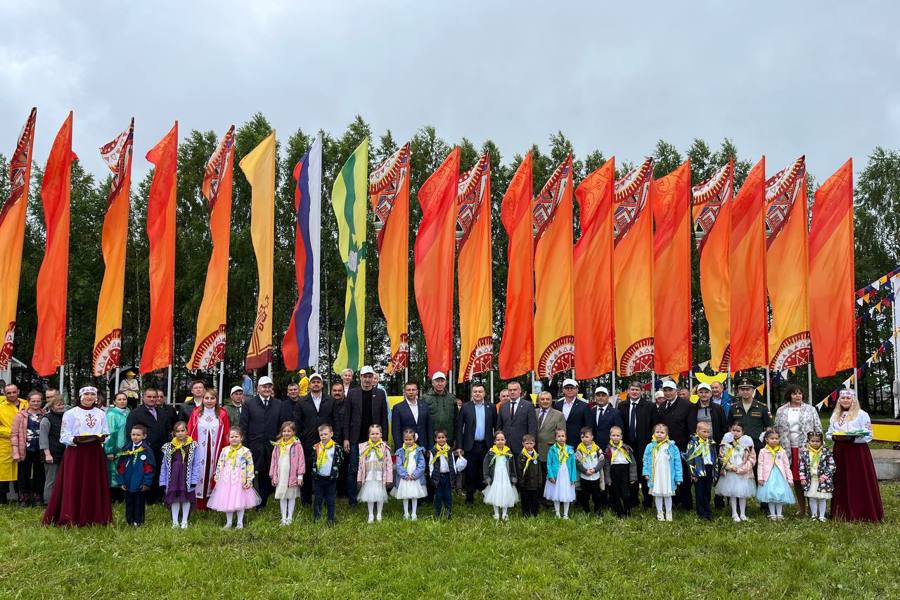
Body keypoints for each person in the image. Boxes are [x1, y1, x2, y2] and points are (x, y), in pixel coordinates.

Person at [43, 386, 112, 526]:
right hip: (76, 453)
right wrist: (75, 440)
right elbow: (64, 436)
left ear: (96, 397)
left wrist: (102, 438)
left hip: (94, 453)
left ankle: (95, 516)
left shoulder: (101, 413)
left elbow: (106, 433)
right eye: (86, 394)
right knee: (74, 482)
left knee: (93, 482)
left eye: (92, 394)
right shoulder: (71, 413)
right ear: (80, 396)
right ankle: (71, 515)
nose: (89, 397)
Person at [826, 389, 884, 522]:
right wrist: (835, 437)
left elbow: (869, 434)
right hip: (840, 452)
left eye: (848, 398)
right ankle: (841, 512)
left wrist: (853, 438)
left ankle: (863, 511)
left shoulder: (862, 414)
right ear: (839, 400)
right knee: (841, 479)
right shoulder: (835, 415)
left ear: (853, 400)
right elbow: (829, 433)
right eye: (843, 398)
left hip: (857, 452)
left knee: (859, 480)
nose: (845, 400)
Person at [343, 366, 389, 508]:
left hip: (375, 440)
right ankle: (353, 500)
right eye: (365, 376)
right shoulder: (352, 393)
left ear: (373, 378)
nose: (367, 379)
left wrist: (385, 438)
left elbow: (384, 418)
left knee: (375, 470)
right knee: (354, 469)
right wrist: (346, 438)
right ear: (360, 377)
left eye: (370, 376)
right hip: (356, 439)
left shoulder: (380, 394)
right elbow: (346, 417)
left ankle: (375, 499)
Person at [773, 384, 822, 516]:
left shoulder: (810, 410)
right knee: (796, 480)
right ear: (789, 395)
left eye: (800, 393)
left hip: (807, 449)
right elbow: (776, 430)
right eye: (794, 393)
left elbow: (818, 428)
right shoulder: (781, 411)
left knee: (809, 478)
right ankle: (802, 508)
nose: (797, 396)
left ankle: (814, 509)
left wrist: (819, 446)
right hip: (788, 449)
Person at [294, 373, 340, 506]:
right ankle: (306, 500)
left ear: (322, 384)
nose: (315, 384)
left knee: (325, 470)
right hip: (308, 442)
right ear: (309, 385)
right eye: (313, 382)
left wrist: (335, 439)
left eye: (318, 382)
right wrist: (299, 440)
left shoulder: (330, 400)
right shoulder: (301, 401)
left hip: (327, 443)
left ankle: (326, 499)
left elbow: (336, 421)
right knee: (307, 471)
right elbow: (297, 422)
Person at [239, 375, 285, 509]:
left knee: (266, 474)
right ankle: (248, 501)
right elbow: (243, 426)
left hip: (271, 446)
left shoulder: (278, 404)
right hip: (253, 445)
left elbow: (282, 426)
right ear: (258, 388)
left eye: (269, 386)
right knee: (251, 474)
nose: (267, 389)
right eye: (264, 386)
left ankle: (262, 502)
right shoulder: (249, 404)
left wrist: (279, 442)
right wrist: (245, 446)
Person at [126, 387, 176, 503]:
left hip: (162, 450)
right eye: (149, 396)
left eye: (155, 397)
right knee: (146, 473)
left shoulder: (163, 412)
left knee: (160, 472)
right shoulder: (135, 413)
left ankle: (159, 497)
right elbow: (129, 433)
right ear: (143, 398)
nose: (152, 399)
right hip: (145, 450)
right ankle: (146, 499)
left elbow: (168, 429)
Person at [207, 426, 260, 529]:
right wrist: (217, 478)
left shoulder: (246, 451)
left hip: (240, 479)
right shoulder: (225, 450)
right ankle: (229, 522)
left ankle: (240, 522)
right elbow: (220, 464)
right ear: (228, 438)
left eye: (236, 436)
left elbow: (250, 466)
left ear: (241, 438)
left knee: (240, 500)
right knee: (227, 501)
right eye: (232, 437)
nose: (234, 438)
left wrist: (249, 480)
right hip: (227, 479)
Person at [187, 389, 230, 509]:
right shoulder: (196, 413)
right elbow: (190, 431)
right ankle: (197, 502)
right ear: (202, 399)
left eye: (212, 398)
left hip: (215, 451)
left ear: (216, 400)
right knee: (199, 472)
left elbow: (226, 433)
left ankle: (213, 502)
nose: (209, 401)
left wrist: (226, 450)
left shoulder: (222, 414)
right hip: (199, 450)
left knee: (214, 473)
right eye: (207, 398)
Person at [455, 383, 496, 506]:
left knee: (485, 472)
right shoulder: (466, 407)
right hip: (470, 446)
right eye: (475, 391)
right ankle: (469, 498)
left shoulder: (491, 407)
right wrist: (459, 447)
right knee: (470, 473)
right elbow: (459, 427)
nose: (477, 394)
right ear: (472, 393)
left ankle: (486, 496)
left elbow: (496, 426)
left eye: (480, 391)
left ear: (484, 393)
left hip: (486, 445)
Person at [654, 379, 692, 511]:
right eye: (665, 390)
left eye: (670, 390)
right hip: (666, 447)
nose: (668, 393)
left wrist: (689, 447)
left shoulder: (687, 405)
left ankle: (687, 503)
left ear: (676, 390)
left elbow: (691, 427)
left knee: (683, 475)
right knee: (670, 473)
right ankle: (675, 501)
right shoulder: (662, 406)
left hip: (682, 447)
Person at [159, 421, 200, 529]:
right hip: (173, 478)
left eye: (183, 430)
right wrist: (163, 481)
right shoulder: (168, 447)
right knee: (175, 499)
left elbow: (196, 464)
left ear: (187, 431)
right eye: (177, 431)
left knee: (186, 498)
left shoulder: (193, 446)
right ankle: (175, 521)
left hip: (186, 477)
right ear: (174, 433)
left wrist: (194, 480)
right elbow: (164, 465)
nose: (180, 433)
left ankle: (184, 521)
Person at [618, 382, 652, 509]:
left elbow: (654, 425)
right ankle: (633, 500)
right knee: (631, 474)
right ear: (628, 390)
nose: (634, 392)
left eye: (637, 390)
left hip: (645, 445)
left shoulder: (649, 406)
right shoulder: (622, 406)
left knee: (645, 473)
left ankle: (648, 502)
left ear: (642, 391)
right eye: (632, 389)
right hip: (628, 446)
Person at [116, 424, 156, 526]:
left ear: (144, 436)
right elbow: (120, 467)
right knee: (129, 503)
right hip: (127, 482)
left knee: (139, 503)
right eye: (133, 434)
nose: (135, 437)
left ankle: (138, 521)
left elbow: (149, 468)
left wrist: (146, 483)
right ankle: (129, 521)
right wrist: (121, 482)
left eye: (138, 435)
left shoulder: (146, 450)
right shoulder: (126, 449)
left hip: (140, 483)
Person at [716, 422, 757, 522]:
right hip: (731, 471)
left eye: (738, 431)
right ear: (730, 430)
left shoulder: (748, 443)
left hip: (743, 472)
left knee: (743, 494)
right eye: (733, 430)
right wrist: (729, 466)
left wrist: (742, 469)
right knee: (732, 493)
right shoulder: (726, 442)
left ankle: (742, 513)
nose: (735, 433)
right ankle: (734, 513)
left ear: (743, 432)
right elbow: (721, 456)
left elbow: (752, 458)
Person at [642, 423, 683, 522]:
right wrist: (646, 472)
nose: (659, 434)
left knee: (668, 494)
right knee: (658, 494)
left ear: (667, 434)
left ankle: (669, 512)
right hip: (656, 475)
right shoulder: (650, 446)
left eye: (662, 432)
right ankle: (659, 512)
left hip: (667, 475)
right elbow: (646, 460)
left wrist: (678, 477)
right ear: (654, 433)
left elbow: (677, 463)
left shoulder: (672, 447)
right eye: (657, 432)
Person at [12, 390, 45, 506]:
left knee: (39, 474)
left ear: (41, 402)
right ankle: (24, 497)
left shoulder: (45, 415)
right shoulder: (20, 416)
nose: (36, 403)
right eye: (33, 401)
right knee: (23, 474)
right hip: (25, 449)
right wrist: (15, 452)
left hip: (40, 449)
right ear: (28, 401)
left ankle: (37, 496)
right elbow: (14, 434)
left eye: (38, 401)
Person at [269, 421, 305, 526]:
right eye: (284, 431)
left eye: (289, 431)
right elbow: (274, 461)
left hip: (292, 476)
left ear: (293, 432)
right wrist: (273, 475)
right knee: (283, 497)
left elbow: (301, 461)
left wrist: (300, 475)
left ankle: (290, 518)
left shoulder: (297, 445)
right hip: (281, 476)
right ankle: (283, 518)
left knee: (291, 497)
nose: (286, 433)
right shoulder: (278, 445)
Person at [357, 424, 392, 523]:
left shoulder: (384, 448)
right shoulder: (364, 447)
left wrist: (389, 478)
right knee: (370, 496)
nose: (375, 435)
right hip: (369, 476)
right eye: (372, 434)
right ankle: (371, 514)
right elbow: (360, 464)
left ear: (381, 434)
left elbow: (389, 464)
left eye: (377, 433)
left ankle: (379, 514)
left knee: (380, 495)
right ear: (369, 435)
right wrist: (359, 477)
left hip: (380, 476)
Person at [756, 429, 795, 519]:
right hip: (768, 476)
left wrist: (790, 478)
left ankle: (779, 513)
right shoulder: (763, 451)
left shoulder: (782, 451)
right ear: (766, 439)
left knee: (780, 493)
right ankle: (772, 513)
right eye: (772, 438)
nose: (774, 440)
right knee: (771, 494)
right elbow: (760, 465)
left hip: (780, 476)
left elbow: (786, 465)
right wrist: (760, 477)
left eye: (776, 438)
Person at [683, 422, 717, 521]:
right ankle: (701, 512)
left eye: (708, 432)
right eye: (704, 431)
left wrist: (715, 470)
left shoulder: (711, 443)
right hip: (699, 470)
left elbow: (714, 456)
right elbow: (689, 459)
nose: (706, 434)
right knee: (699, 492)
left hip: (709, 468)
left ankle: (708, 511)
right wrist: (692, 473)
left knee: (708, 491)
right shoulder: (692, 443)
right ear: (697, 431)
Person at [534, 391, 565, 497]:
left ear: (551, 401)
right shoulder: (534, 412)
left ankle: (550, 498)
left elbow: (561, 435)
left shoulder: (558, 415)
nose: (545, 401)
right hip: (533, 449)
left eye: (547, 399)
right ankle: (538, 497)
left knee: (548, 475)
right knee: (536, 475)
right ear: (538, 401)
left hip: (549, 450)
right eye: (542, 399)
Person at [799, 431, 835, 522]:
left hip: (822, 480)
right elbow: (801, 466)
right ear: (808, 441)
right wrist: (802, 477)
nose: (815, 443)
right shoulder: (805, 453)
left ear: (821, 442)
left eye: (817, 441)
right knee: (812, 497)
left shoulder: (825, 452)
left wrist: (825, 476)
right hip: (810, 479)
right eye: (812, 441)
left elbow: (832, 465)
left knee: (822, 498)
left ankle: (822, 516)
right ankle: (814, 515)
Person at [481, 430, 517, 520]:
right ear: (494, 441)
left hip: (505, 477)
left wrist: (513, 476)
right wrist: (487, 477)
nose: (500, 441)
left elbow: (512, 466)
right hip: (495, 477)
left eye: (502, 439)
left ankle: (505, 513)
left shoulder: (508, 452)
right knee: (495, 494)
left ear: (505, 440)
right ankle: (496, 513)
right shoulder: (491, 453)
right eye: (498, 440)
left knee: (505, 494)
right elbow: (485, 465)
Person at [311, 424, 343, 525]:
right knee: (318, 498)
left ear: (331, 434)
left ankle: (330, 518)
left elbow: (340, 459)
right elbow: (313, 460)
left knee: (330, 499)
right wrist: (314, 472)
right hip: (318, 478)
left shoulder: (336, 447)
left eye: (325, 434)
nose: (323, 436)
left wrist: (335, 469)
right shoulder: (316, 447)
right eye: (321, 435)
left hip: (331, 478)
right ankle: (317, 518)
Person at [730, 378, 772, 453]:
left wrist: (768, 444)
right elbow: (729, 426)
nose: (745, 391)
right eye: (742, 389)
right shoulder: (733, 408)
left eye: (748, 389)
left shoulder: (762, 407)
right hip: (738, 445)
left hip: (757, 445)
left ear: (753, 390)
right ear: (738, 391)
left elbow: (768, 427)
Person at [392, 428, 427, 520]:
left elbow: (421, 464)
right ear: (403, 439)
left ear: (414, 439)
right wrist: (405, 475)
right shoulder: (400, 451)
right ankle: (406, 513)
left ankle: (414, 513)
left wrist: (415, 475)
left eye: (410, 439)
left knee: (414, 495)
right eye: (406, 440)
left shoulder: (418, 450)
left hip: (415, 476)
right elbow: (398, 465)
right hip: (405, 477)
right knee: (405, 495)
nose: (408, 441)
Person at [604, 426, 637, 518]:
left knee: (626, 493)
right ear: (610, 436)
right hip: (614, 472)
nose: (615, 437)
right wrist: (608, 478)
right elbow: (606, 465)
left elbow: (633, 463)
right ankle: (619, 512)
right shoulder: (608, 450)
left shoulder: (626, 448)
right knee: (615, 493)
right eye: (613, 435)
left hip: (624, 472)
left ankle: (627, 510)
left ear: (621, 436)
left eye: (618, 435)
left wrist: (633, 477)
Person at [39, 393, 66, 504]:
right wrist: (47, 454)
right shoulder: (46, 419)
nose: (61, 407)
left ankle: (60, 501)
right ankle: (48, 502)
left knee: (62, 479)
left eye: (62, 404)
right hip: (51, 453)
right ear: (52, 406)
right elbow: (43, 438)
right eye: (58, 405)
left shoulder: (66, 416)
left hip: (63, 452)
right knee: (51, 480)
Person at [544, 427, 577, 519]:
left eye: (563, 436)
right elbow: (549, 464)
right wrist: (551, 475)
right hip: (556, 474)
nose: (561, 438)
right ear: (555, 438)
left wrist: (573, 478)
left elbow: (573, 465)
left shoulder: (570, 449)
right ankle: (557, 513)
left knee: (567, 494)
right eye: (559, 436)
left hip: (566, 474)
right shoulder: (552, 449)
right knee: (556, 493)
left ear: (566, 437)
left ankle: (566, 514)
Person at [497, 381, 536, 455]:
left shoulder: (528, 406)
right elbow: (499, 427)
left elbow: (532, 427)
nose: (512, 392)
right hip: (505, 447)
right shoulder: (503, 406)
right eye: (510, 390)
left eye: (515, 390)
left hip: (522, 446)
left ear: (520, 391)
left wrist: (530, 445)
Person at [104, 392, 130, 502]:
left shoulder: (129, 412)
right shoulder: (111, 414)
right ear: (114, 402)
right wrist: (109, 450)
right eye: (119, 399)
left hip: (126, 447)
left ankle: (123, 495)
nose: (122, 401)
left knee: (124, 470)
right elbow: (110, 432)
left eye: (124, 399)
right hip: (115, 448)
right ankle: (113, 497)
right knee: (113, 472)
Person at [392, 381, 432, 450]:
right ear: (404, 392)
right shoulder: (397, 408)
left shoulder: (425, 406)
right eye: (408, 390)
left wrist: (430, 448)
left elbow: (429, 428)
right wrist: (399, 449)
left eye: (413, 390)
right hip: (406, 447)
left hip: (423, 446)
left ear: (417, 391)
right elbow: (396, 431)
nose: (411, 392)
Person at [421, 372, 457, 446]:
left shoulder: (452, 398)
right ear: (432, 383)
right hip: (431, 439)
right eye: (437, 381)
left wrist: (456, 439)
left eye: (442, 381)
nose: (440, 384)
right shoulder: (425, 398)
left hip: (448, 439)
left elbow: (456, 419)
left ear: (446, 382)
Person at [575, 426, 605, 516]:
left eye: (587, 437)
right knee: (585, 496)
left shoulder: (597, 449)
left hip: (595, 477)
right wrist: (585, 471)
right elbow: (578, 463)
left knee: (597, 496)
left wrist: (595, 469)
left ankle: (598, 511)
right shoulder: (579, 449)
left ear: (592, 437)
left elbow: (602, 461)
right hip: (585, 477)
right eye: (582, 437)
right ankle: (586, 511)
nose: (584, 439)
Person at [0, 383, 23, 502]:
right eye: (8, 393)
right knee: (3, 471)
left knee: (22, 470)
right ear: (4, 393)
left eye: (14, 392)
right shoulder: (1, 407)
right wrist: (11, 432)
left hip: (24, 442)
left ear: (18, 391)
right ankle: (2, 498)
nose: (12, 394)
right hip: (5, 443)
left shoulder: (26, 403)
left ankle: (21, 496)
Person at [554, 378, 591, 449]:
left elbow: (587, 426)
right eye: (567, 388)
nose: (569, 390)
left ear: (577, 390)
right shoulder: (557, 405)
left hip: (578, 443)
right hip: (560, 442)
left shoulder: (584, 406)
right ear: (563, 390)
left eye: (572, 388)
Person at [429, 429, 457, 519]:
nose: (441, 439)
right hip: (438, 477)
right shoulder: (433, 451)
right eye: (439, 438)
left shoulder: (449, 450)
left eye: (443, 437)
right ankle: (438, 514)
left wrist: (454, 473)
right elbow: (431, 464)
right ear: (435, 439)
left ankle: (448, 513)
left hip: (448, 476)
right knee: (438, 496)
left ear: (446, 438)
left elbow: (453, 463)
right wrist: (431, 474)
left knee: (448, 496)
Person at [517, 433, 542, 517]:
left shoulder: (536, 456)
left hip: (534, 483)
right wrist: (521, 481)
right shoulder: (521, 456)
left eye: (531, 443)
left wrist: (539, 481)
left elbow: (539, 470)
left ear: (534, 444)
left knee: (535, 498)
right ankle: (526, 513)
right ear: (523, 444)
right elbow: (519, 470)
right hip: (525, 483)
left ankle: (534, 512)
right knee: (525, 498)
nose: (529, 445)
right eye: (527, 443)